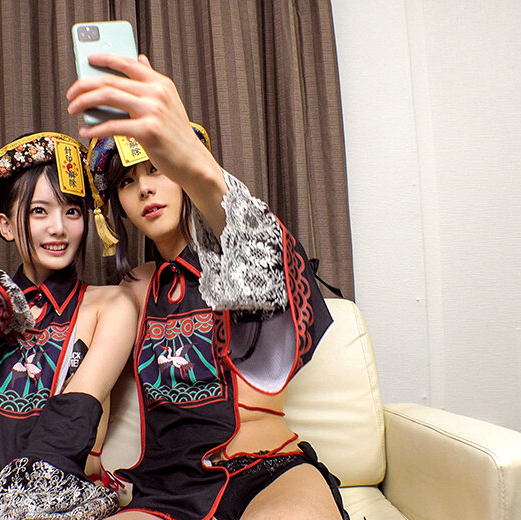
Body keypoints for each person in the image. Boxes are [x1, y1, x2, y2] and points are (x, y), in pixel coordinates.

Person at [66, 53, 350, 520]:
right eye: (127, 182)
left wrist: (195, 166)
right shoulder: (133, 290)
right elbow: (86, 390)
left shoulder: (238, 254)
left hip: (268, 471)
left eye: (157, 169)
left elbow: (265, 258)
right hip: (167, 491)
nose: (144, 189)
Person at [0, 132, 138, 520]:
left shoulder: (111, 304)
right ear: (5, 225)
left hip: (55, 490)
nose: (58, 228)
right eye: (38, 212)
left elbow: (74, 416)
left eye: (72, 211)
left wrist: (2, 512)